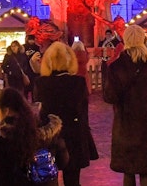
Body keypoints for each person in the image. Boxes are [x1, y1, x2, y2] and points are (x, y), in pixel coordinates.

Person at [102, 26, 147, 186]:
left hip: (126, 124)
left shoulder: (116, 67)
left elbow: (110, 97)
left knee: (128, 170)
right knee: (146, 170)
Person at [37, 41, 100, 186]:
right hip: (74, 133)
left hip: (51, 134)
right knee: (73, 179)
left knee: (49, 176)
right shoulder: (77, 82)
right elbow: (83, 112)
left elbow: (41, 112)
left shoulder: (41, 83)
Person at [0, 87, 64, 186]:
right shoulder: (44, 127)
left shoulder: (3, 136)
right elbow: (64, 158)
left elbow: (0, 172)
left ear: (6, 110)